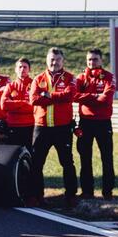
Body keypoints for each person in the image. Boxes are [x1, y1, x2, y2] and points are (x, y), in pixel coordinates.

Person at [29, 47, 80, 208]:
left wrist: (48, 95)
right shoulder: (38, 78)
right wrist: (56, 98)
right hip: (41, 127)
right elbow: (34, 99)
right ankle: (37, 196)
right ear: (47, 60)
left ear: (63, 61)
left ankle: (71, 196)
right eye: (51, 59)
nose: (54, 62)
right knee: (36, 163)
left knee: (67, 163)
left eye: (57, 59)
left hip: (62, 128)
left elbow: (70, 96)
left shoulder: (70, 78)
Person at [75, 49, 116, 200]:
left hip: (103, 123)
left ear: (101, 61)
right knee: (85, 157)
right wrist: (94, 96)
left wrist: (86, 98)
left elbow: (106, 99)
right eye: (89, 60)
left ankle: (107, 192)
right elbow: (74, 95)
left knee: (107, 157)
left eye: (95, 59)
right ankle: (87, 191)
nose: (92, 62)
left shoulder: (109, 77)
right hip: (85, 122)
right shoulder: (80, 78)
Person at [0, 58, 34, 149]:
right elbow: (4, 105)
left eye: (25, 67)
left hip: (30, 126)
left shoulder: (35, 84)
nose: (22, 69)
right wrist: (24, 103)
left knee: (31, 155)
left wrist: (14, 105)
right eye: (19, 67)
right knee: (14, 154)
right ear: (15, 69)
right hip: (13, 126)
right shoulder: (10, 86)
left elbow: (35, 107)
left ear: (29, 69)